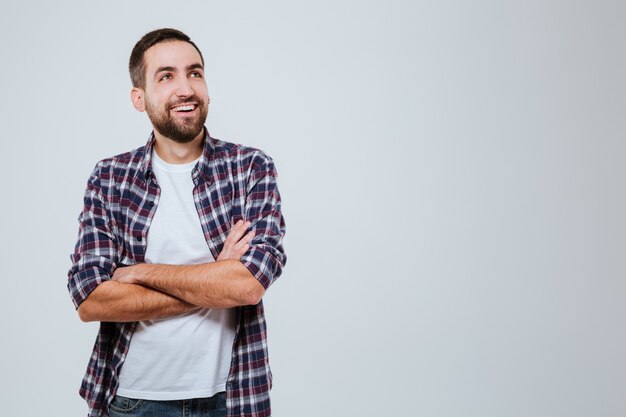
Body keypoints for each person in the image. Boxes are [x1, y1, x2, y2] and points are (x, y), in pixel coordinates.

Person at [67, 28, 286, 417]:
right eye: (166, 76)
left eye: (195, 73)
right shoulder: (110, 178)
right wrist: (215, 275)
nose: (185, 88)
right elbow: (90, 300)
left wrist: (139, 273)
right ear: (140, 98)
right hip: (133, 401)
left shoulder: (250, 168)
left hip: (231, 398)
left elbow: (248, 286)